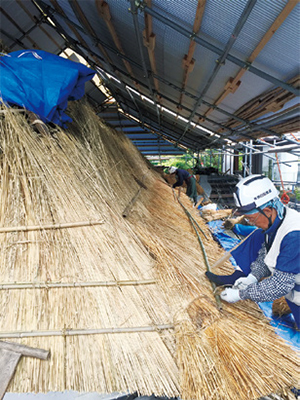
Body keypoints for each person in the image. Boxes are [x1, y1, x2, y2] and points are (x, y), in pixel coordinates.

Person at [205, 174, 300, 329]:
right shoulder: (276, 222)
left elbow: (280, 285)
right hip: (295, 294)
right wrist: (252, 277)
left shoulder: (294, 234)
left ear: (268, 210)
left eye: (251, 218)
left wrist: (241, 294)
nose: (250, 223)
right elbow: (267, 253)